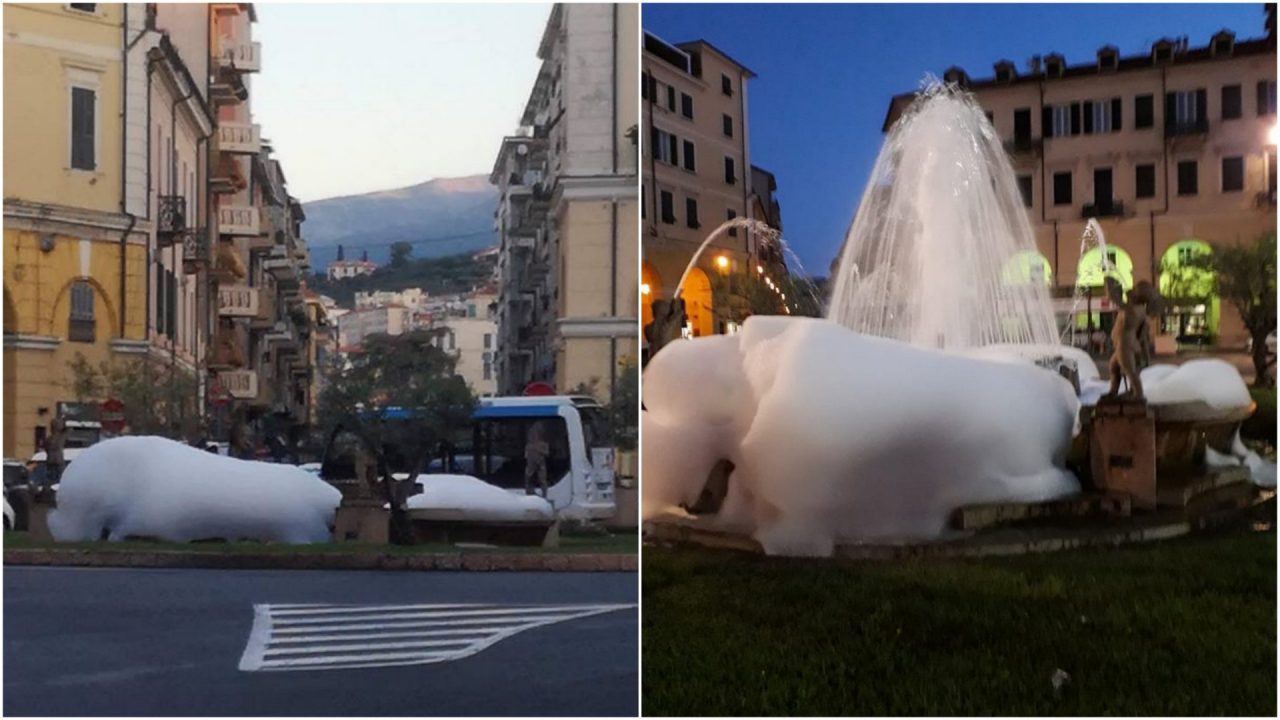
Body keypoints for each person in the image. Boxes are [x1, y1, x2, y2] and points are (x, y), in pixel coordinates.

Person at [523, 421, 550, 498]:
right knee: (528, 477)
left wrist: (538, 450)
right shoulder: (529, 445)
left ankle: (544, 494)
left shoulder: (543, 444)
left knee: (542, 479)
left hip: (540, 464)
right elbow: (526, 456)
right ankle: (529, 491)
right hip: (531, 465)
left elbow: (546, 453)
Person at [45, 417, 66, 486]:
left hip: (52, 460)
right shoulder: (61, 437)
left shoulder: (49, 439)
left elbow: (46, 449)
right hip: (56, 461)